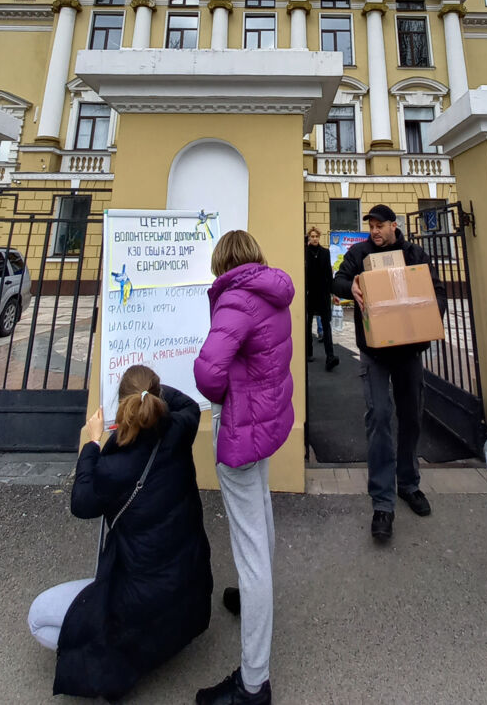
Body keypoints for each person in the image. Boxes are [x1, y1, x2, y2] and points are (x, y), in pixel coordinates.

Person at [27, 364, 212, 702]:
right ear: (156, 401)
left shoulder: (111, 467)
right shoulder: (179, 430)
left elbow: (81, 503)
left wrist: (92, 443)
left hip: (139, 600)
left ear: (122, 406)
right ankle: (154, 643)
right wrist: (150, 389)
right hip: (189, 596)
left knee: (38, 617)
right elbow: (186, 402)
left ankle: (119, 658)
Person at [193, 229, 294, 705]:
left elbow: (208, 372)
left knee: (249, 544)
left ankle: (253, 683)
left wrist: (222, 396)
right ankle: (256, 597)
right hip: (266, 424)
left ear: (222, 262)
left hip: (239, 429)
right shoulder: (272, 292)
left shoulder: (235, 299)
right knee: (263, 519)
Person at [332, 203, 447, 543]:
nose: (375, 231)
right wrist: (348, 288)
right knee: (380, 417)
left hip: (409, 351)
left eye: (381, 225)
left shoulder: (414, 254)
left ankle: (409, 483)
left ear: (394, 225)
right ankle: (382, 500)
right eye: (371, 225)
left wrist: (428, 311)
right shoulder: (359, 253)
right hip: (375, 353)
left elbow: (436, 291)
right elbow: (337, 279)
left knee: (411, 416)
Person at [305, 226, 339, 371]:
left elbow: (328, 274)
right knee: (307, 325)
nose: (314, 239)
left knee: (326, 325)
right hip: (309, 293)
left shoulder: (325, 252)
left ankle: (330, 356)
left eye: (316, 236)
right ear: (309, 238)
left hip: (323, 293)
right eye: (312, 236)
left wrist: (334, 293)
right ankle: (308, 352)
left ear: (319, 237)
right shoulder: (304, 252)